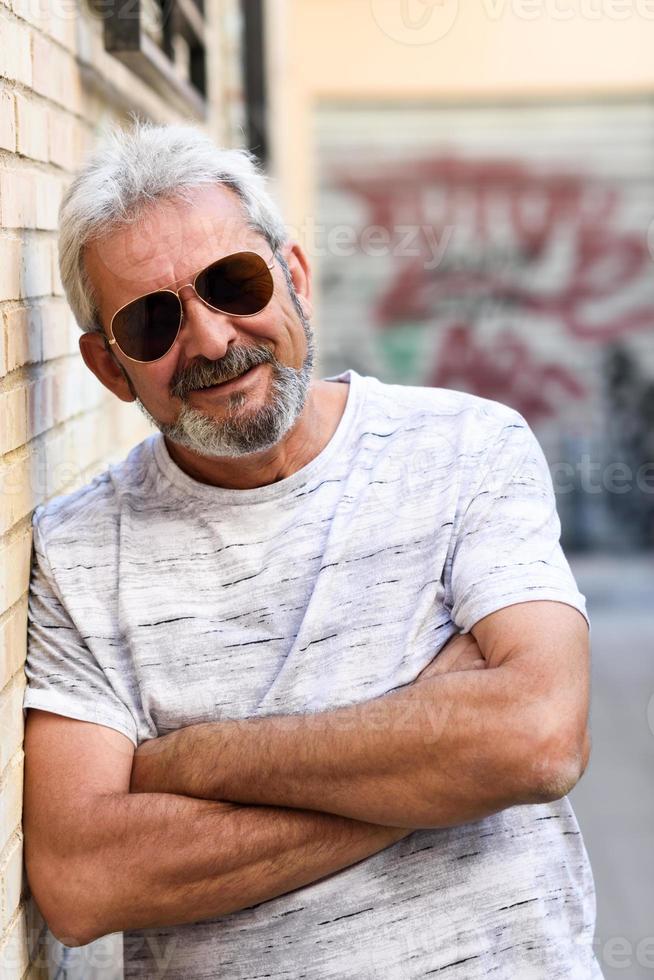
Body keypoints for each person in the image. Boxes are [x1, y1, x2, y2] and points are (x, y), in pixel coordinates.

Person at [23, 122, 601, 979]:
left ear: (292, 277)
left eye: (233, 282)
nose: (213, 341)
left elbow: (539, 739)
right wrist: (440, 765)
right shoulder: (77, 553)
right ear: (111, 369)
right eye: (153, 320)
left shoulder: (467, 447)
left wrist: (197, 759)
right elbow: (84, 878)